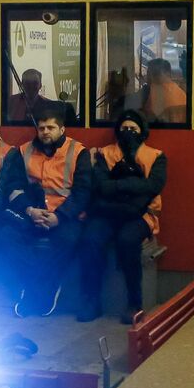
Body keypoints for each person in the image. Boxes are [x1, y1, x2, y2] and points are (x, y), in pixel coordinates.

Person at [0, 102, 91, 317]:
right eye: (41, 128)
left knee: (69, 240)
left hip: (64, 216)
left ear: (62, 129)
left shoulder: (78, 152)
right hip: (32, 214)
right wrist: (29, 210)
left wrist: (59, 217)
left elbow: (83, 193)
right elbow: (13, 187)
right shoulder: (23, 151)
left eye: (50, 128)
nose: (45, 132)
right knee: (6, 236)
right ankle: (38, 286)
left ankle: (41, 290)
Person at [77, 110, 166, 324]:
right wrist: (131, 188)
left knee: (127, 241)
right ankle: (91, 300)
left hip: (140, 216)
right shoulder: (104, 154)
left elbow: (153, 186)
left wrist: (116, 186)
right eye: (124, 129)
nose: (128, 132)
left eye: (133, 129)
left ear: (142, 132)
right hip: (108, 213)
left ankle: (134, 303)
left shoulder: (156, 156)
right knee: (90, 239)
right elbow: (100, 185)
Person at [5, 68, 78, 127]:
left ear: (40, 85)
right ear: (21, 85)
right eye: (27, 83)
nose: (31, 86)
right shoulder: (10, 102)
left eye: (35, 83)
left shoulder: (49, 105)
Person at [142, 58, 187, 124]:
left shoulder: (156, 90)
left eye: (155, 73)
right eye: (149, 74)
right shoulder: (179, 91)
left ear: (167, 73)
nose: (150, 77)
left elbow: (152, 117)